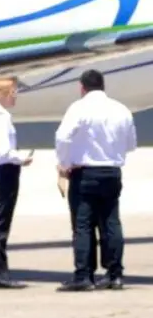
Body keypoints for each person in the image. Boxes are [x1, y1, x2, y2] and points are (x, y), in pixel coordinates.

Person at [54, 69, 137, 291]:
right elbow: (131, 144)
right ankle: (115, 274)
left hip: (85, 173)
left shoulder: (79, 108)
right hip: (111, 172)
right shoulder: (120, 109)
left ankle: (84, 275)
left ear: (82, 87)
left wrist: (64, 163)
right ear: (103, 86)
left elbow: (62, 136)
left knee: (83, 225)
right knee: (111, 222)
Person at [0, 76, 33, 288]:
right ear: (2, 94)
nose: (15, 97)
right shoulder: (1, 117)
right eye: (13, 93)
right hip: (6, 170)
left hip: (2, 170)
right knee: (1, 223)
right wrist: (22, 158)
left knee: (0, 221)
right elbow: (4, 151)